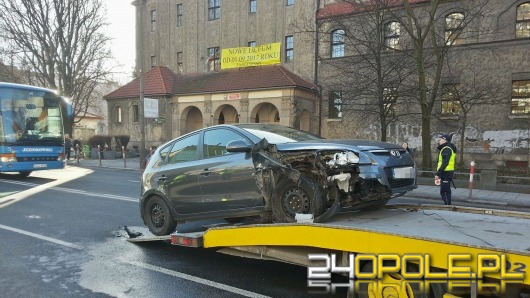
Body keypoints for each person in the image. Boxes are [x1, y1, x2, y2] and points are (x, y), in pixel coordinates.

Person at [435, 134, 457, 205]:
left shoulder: (446, 149)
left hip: (445, 172)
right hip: (447, 172)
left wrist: (438, 173)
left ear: (444, 140)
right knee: (445, 190)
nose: (439, 141)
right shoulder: (448, 148)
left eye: (441, 139)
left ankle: (448, 206)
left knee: (444, 191)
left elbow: (445, 162)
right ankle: (447, 205)